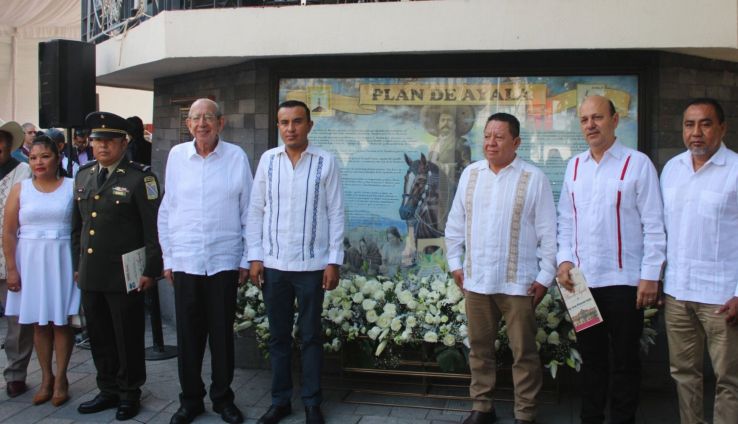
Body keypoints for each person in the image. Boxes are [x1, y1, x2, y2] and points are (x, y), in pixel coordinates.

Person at [556, 95, 665, 424]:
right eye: (584, 119)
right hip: (581, 284)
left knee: (625, 360)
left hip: (624, 282)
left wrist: (650, 275)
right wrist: (564, 261)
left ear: (615, 120)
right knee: (591, 358)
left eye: (598, 117)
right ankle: (590, 418)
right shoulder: (575, 166)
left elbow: (654, 224)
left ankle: (622, 419)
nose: (590, 125)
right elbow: (566, 221)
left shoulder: (637, 164)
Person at [445, 113, 556, 424]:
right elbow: (455, 224)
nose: (490, 143)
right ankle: (482, 407)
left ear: (516, 142)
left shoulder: (534, 178)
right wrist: (454, 263)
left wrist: (545, 276)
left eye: (499, 137)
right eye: (487, 136)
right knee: (480, 350)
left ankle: (525, 413)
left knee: (524, 353)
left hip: (519, 283)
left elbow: (549, 232)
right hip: (477, 281)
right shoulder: (471, 174)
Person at [247, 100, 344, 424]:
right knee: (278, 338)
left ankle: (312, 402)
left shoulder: (325, 161)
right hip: (274, 265)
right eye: (284, 122)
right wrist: (255, 257)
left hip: (312, 267)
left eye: (297, 121)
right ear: (278, 125)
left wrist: (333, 261)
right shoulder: (268, 160)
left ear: (309, 125)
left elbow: (336, 212)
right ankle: (280, 402)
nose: (291, 128)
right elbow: (256, 209)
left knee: (311, 337)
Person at [158, 98, 252, 424]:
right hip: (186, 261)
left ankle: (223, 399)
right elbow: (168, 210)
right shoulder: (176, 157)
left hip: (224, 261)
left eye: (208, 118)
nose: (202, 124)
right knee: (188, 337)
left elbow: (248, 211)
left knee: (222, 336)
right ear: (188, 125)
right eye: (195, 118)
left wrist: (246, 258)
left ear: (220, 123)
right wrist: (168, 257)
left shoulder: (236, 157)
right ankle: (191, 400)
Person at [72, 111, 163, 421]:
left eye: (110, 140)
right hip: (92, 271)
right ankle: (107, 388)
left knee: (127, 336)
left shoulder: (141, 178)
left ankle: (129, 392)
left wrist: (150, 270)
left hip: (125, 273)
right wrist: (77, 264)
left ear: (124, 143)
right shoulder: (84, 175)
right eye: (97, 140)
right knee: (98, 334)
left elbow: (153, 229)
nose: (102, 146)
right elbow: (77, 227)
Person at [660, 98, 738, 424]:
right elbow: (662, 230)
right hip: (677, 293)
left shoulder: (735, 170)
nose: (696, 132)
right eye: (689, 125)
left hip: (722, 296)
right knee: (683, 373)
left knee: (729, 378)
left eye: (705, 124)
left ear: (722, 128)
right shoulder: (672, 169)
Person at [2, 135, 80, 407]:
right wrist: (12, 268)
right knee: (39, 322)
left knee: (61, 322)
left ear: (57, 158)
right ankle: (46, 377)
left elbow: (82, 227)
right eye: (33, 157)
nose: (38, 162)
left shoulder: (72, 186)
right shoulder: (21, 189)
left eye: (45, 156)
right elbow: (8, 231)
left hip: (62, 258)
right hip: (30, 259)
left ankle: (61, 379)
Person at [0, 119, 33, 399]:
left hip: (12, 258)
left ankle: (16, 374)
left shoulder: (24, 172)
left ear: (9, 143)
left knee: (17, 322)